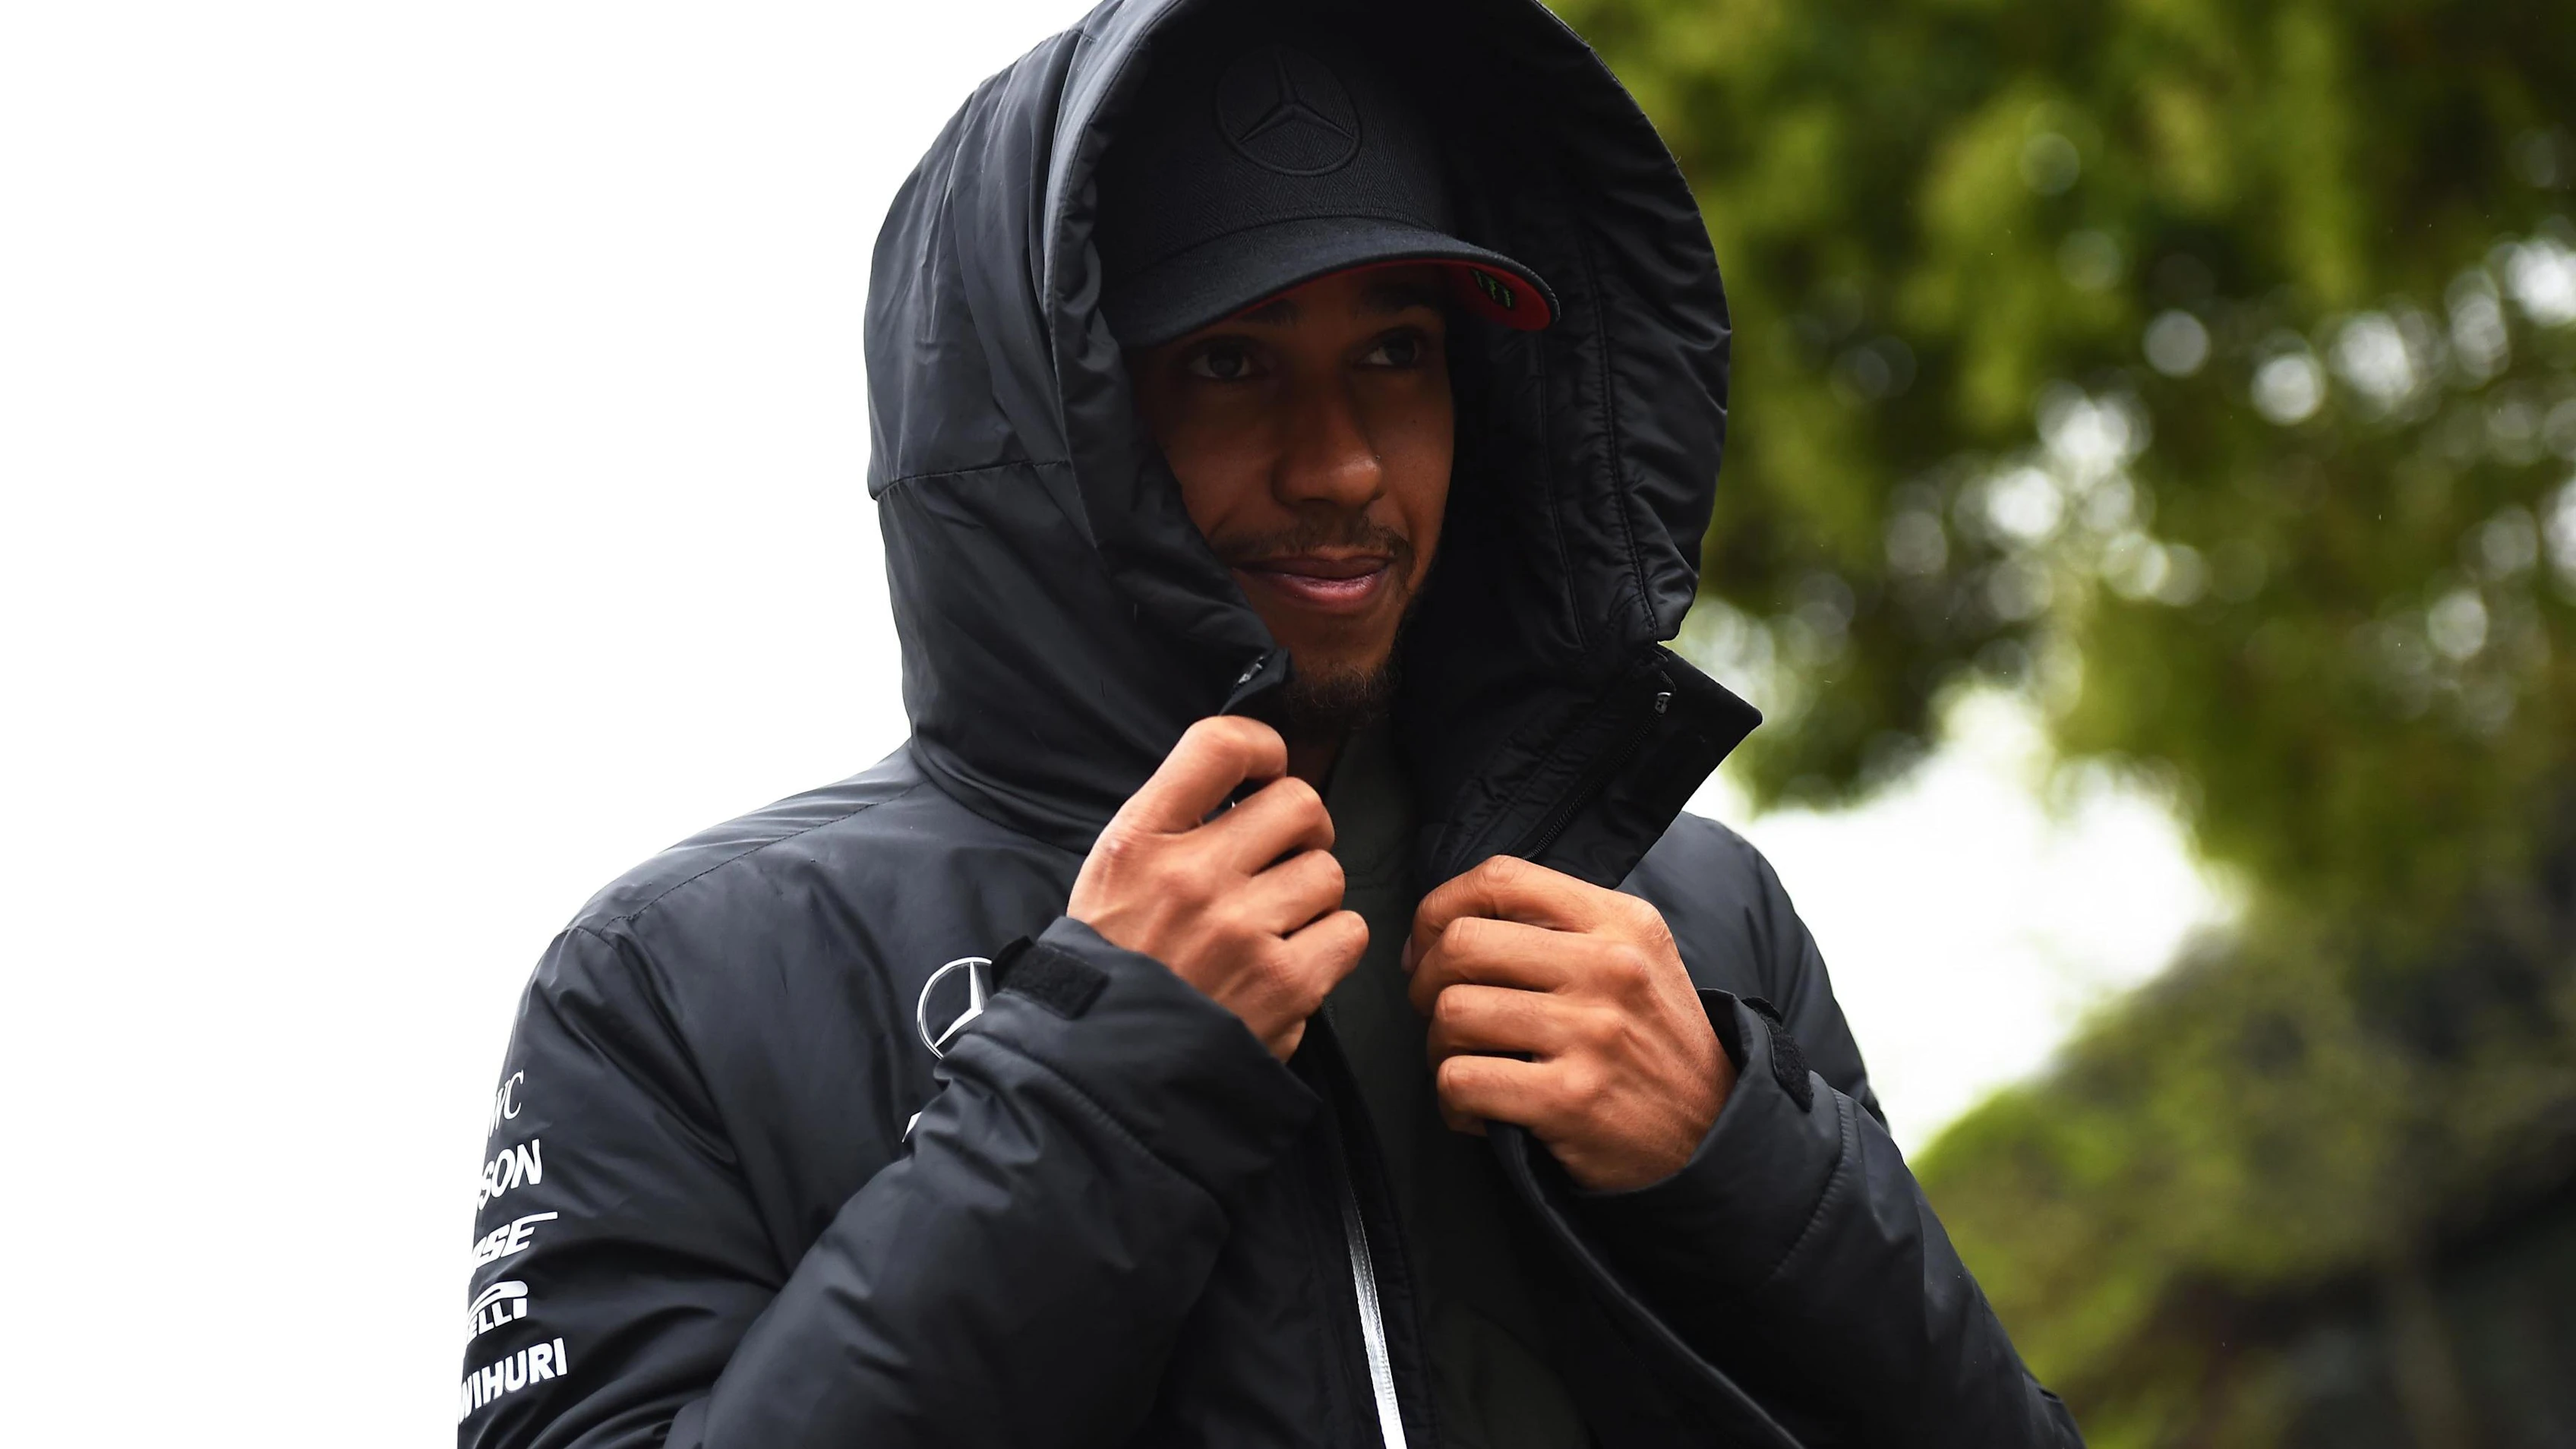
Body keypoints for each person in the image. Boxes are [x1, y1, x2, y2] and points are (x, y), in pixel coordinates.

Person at [456, 1, 2082, 1445]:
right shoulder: (681, 976)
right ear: (1051, 423)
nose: (1341, 467)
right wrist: (1096, 1089)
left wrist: (1740, 1161)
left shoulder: (1692, 915)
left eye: (1397, 354)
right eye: (1231, 363)